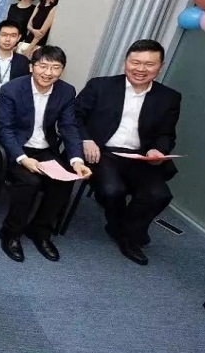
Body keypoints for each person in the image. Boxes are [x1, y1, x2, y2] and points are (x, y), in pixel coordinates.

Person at [74, 39, 181, 266]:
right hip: (102, 152)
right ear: (125, 62)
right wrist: (86, 139)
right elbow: (74, 117)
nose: (141, 69)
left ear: (160, 67)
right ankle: (129, 236)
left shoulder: (169, 97)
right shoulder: (100, 86)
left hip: (140, 157)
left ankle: (122, 229)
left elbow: (166, 134)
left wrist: (158, 150)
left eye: (149, 64)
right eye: (135, 62)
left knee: (160, 195)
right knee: (112, 190)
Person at [0, 46, 92, 263]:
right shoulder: (12, 89)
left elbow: (69, 127)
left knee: (64, 181)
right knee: (30, 182)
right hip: (17, 149)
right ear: (32, 67)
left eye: (55, 67)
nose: (48, 73)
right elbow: (5, 129)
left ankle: (40, 231)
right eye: (43, 66)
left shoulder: (66, 91)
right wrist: (22, 159)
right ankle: (11, 233)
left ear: (62, 70)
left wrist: (77, 160)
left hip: (45, 149)